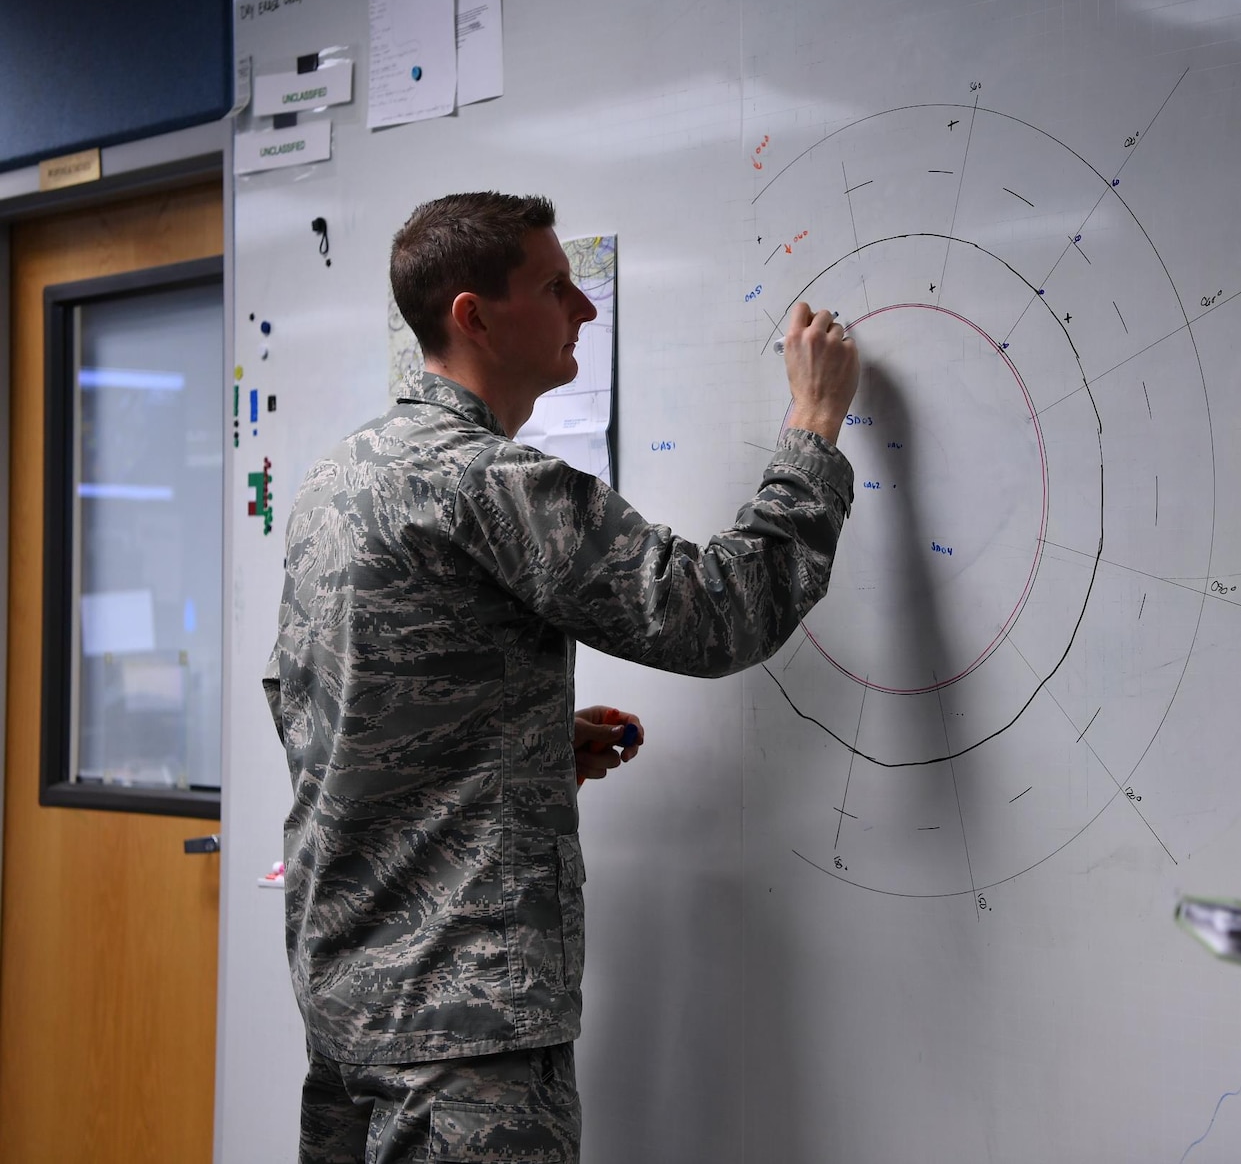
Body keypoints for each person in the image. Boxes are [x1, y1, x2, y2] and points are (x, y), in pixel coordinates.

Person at [265, 192, 861, 1163]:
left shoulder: (337, 482)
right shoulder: (492, 483)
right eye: (555, 286)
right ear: (473, 315)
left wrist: (517, 742)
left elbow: (315, 707)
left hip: (348, 1003)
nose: (584, 308)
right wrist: (813, 422)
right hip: (467, 1038)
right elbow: (715, 613)